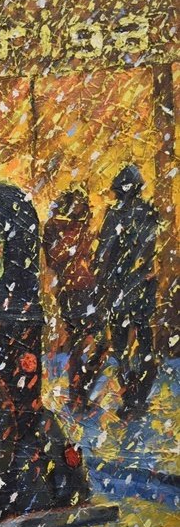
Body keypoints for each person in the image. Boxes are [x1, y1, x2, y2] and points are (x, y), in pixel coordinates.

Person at [82, 165, 159, 419]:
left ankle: (131, 396)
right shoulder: (149, 212)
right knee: (143, 341)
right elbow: (149, 250)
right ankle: (138, 397)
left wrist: (100, 274)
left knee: (122, 344)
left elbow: (104, 249)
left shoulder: (116, 214)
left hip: (121, 286)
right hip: (143, 285)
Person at [42, 187, 101, 410]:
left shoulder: (79, 229)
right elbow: (55, 258)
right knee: (81, 342)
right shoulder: (60, 229)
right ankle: (79, 394)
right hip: (76, 291)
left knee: (89, 342)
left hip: (86, 290)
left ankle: (80, 391)